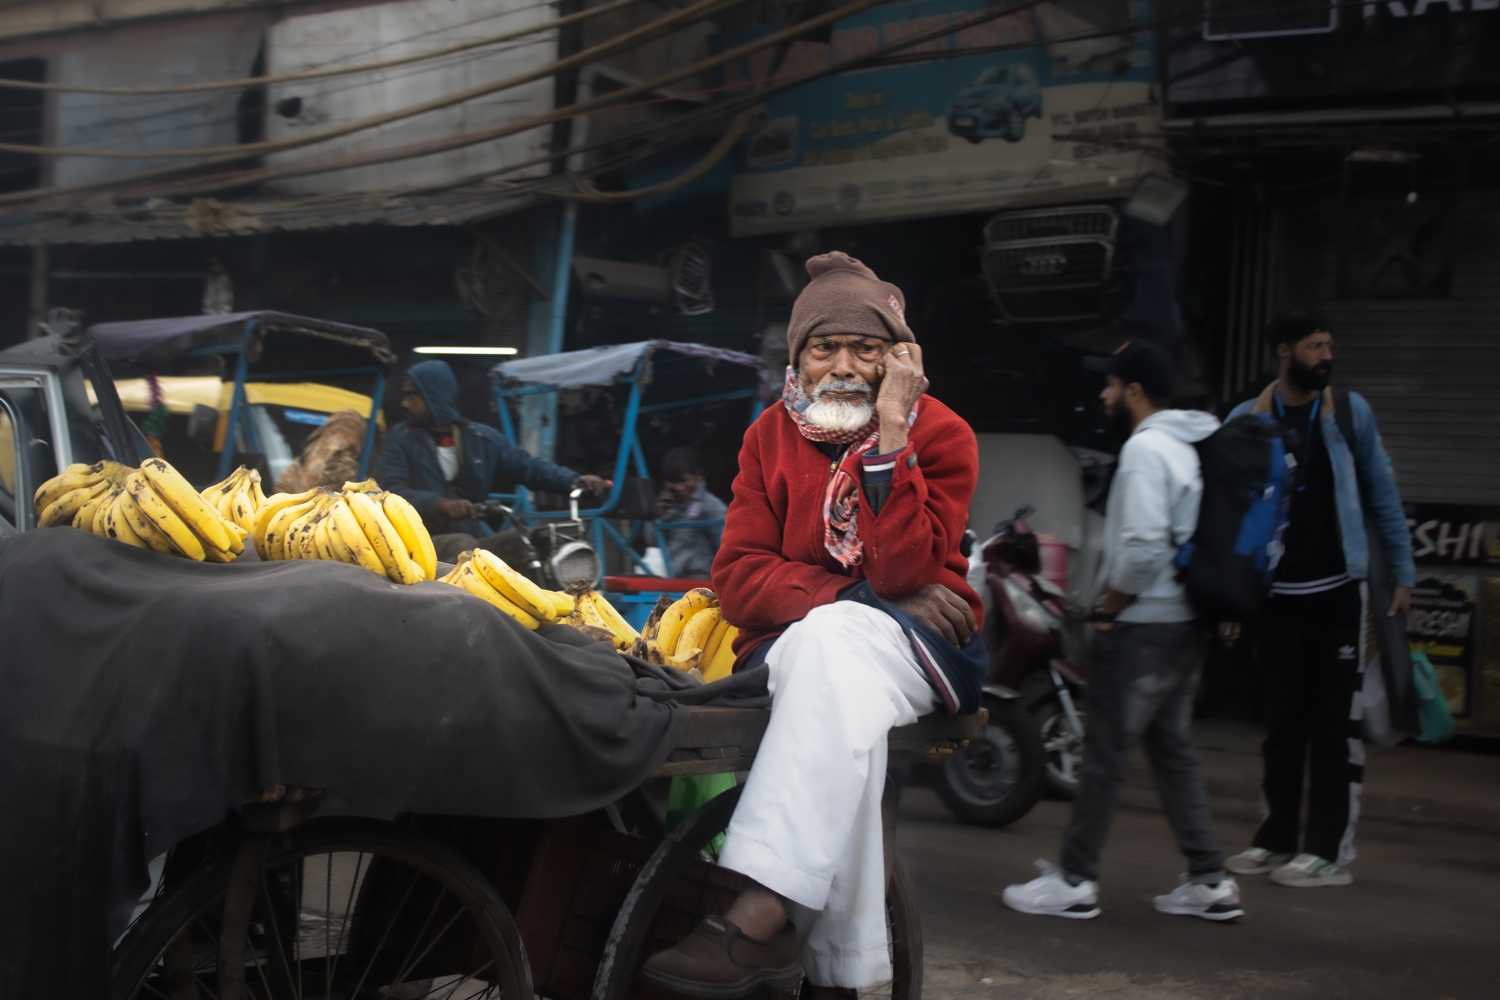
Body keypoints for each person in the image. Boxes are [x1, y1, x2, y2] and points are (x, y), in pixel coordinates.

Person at [641, 252, 984, 999]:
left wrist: (893, 432)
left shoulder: (945, 433)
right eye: (823, 347)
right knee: (835, 695)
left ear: (900, 359)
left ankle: (762, 913)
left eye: (868, 348)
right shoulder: (768, 436)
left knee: (825, 648)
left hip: (918, 648)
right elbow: (737, 580)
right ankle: (839, 974)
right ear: (797, 357)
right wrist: (859, 600)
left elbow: (903, 571)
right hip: (812, 647)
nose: (844, 366)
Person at [1003, 340, 1242, 922]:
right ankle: (1210, 882)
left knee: (1104, 752)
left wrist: (1109, 608)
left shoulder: (1145, 450)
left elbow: (1140, 548)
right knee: (1173, 751)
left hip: (1143, 628)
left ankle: (1076, 881)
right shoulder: (1191, 444)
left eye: (1111, 384)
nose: (1104, 394)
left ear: (1134, 391)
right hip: (1183, 624)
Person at [1222, 309, 1413, 888]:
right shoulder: (1244, 420)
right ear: (1284, 352)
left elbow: (1383, 497)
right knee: (1282, 727)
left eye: (1330, 343)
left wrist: (1401, 572)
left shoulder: (1350, 415)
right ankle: (1275, 839)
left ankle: (1329, 851)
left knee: (1334, 728)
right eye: (1315, 345)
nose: (1327, 354)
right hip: (1276, 600)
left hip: (1338, 597)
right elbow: (1226, 512)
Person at [379, 359, 608, 569]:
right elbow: (392, 492)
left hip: (468, 541)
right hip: (415, 542)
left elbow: (527, 466)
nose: (404, 403)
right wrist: (443, 505)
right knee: (465, 546)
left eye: (412, 396)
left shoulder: (481, 439)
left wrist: (573, 480)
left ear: (434, 396)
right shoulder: (401, 438)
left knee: (527, 542)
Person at [655, 446, 727, 579]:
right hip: (674, 579)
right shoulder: (672, 506)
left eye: (683, 481)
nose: (679, 487)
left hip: (701, 579)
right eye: (673, 483)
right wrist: (659, 515)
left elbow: (727, 547)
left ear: (697, 475)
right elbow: (654, 541)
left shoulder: (712, 506)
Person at [274, 408, 367, 494]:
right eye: (336, 431)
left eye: (347, 434)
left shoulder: (355, 474)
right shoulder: (301, 462)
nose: (339, 438)